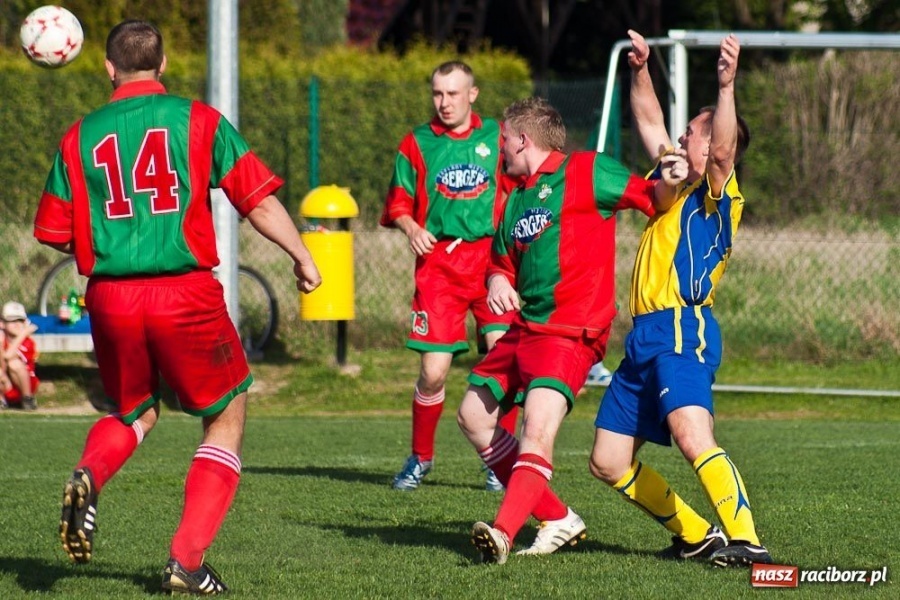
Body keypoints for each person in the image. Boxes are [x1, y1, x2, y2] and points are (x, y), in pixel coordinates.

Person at [33, 20, 321, 595]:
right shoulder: (199, 119)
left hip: (111, 297)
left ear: (108, 68)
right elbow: (256, 203)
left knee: (135, 409)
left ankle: (90, 473)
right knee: (227, 410)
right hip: (183, 292)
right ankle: (186, 560)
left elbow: (52, 231)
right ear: (162, 66)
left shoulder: (79, 134)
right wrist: (302, 256)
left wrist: (107, 238)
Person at [458, 96, 688, 564]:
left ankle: (503, 531)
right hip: (526, 328)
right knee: (473, 416)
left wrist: (669, 179)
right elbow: (500, 261)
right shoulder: (518, 195)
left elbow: (651, 199)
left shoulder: (587, 171)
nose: (500, 148)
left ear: (522, 140)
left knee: (535, 432)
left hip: (570, 332)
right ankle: (558, 517)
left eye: (504, 140)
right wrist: (499, 280)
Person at [589, 30, 772, 567]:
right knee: (607, 459)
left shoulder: (717, 194)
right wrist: (640, 68)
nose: (683, 136)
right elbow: (647, 119)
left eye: (692, 130)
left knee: (692, 433)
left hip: (680, 327)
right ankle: (698, 534)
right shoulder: (671, 179)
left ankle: (748, 541)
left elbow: (720, 151)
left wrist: (727, 84)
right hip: (643, 336)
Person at [380, 61, 519, 492]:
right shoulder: (417, 142)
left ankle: (501, 461)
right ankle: (421, 458)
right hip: (439, 267)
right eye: (437, 94)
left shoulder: (496, 137)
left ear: (472, 94)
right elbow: (398, 202)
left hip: (492, 264)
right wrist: (412, 228)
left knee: (503, 361)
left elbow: (523, 187)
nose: (444, 103)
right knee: (434, 372)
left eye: (453, 94)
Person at [0, 301, 39, 411]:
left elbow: (8, 356)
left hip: (24, 384)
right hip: (6, 385)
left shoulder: (27, 342)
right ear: (2, 323)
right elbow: (2, 367)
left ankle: (28, 398)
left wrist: (23, 333)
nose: (17, 324)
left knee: (14, 363)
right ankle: (1, 400)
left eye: (20, 320)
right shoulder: (2, 340)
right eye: (12, 321)